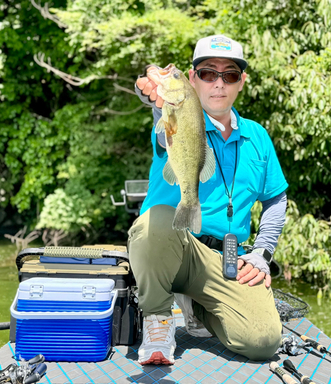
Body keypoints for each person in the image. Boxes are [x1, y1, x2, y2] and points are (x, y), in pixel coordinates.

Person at [129, 35, 288, 365]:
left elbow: (276, 199)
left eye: (229, 74)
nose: (219, 83)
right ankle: (159, 319)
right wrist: (155, 99)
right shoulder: (176, 116)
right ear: (191, 79)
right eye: (207, 73)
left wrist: (262, 252)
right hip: (176, 246)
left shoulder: (257, 136)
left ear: (241, 81)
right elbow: (161, 118)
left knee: (263, 341)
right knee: (156, 221)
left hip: (227, 259)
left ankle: (197, 307)